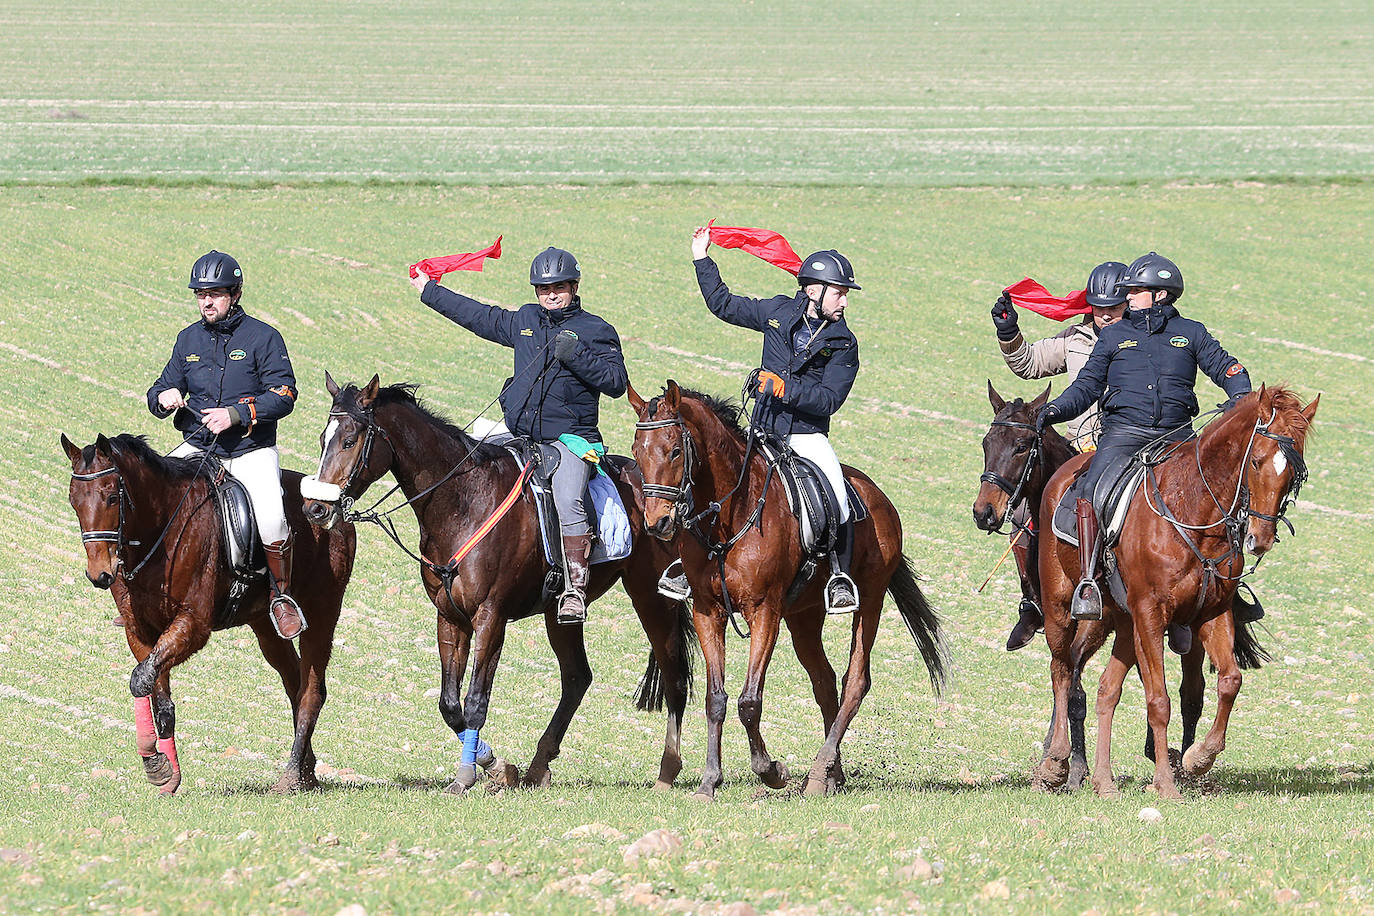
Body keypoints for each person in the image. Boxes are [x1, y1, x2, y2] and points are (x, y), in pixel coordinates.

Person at [1036, 252, 1251, 646]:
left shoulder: (1192, 333)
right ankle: (1088, 582)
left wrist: (1240, 397)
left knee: (1225, 500)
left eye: (1136, 290)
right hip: (1122, 436)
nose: (1128, 295)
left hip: (1178, 438)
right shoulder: (1114, 336)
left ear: (1162, 295)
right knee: (1088, 494)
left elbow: (1228, 369)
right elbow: (1085, 388)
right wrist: (1053, 410)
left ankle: (1226, 591)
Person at [411, 247, 628, 625]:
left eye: (559, 287)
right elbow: (479, 316)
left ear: (574, 286)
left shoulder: (597, 330)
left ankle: (575, 587)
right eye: (544, 289)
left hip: (571, 441)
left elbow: (616, 383)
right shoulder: (526, 320)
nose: (552, 295)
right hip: (520, 436)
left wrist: (577, 356)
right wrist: (429, 291)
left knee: (568, 497)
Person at [688, 225, 862, 613]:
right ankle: (686, 566)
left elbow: (830, 399)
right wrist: (702, 258)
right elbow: (723, 304)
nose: (845, 302)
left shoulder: (844, 343)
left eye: (846, 294)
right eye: (840, 292)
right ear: (813, 290)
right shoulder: (776, 312)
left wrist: (785, 388)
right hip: (761, 430)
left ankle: (839, 577)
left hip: (805, 435)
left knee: (838, 497)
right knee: (703, 476)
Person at [146, 251, 304, 639]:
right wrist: (163, 397)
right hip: (198, 450)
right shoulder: (188, 339)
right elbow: (156, 392)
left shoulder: (263, 336)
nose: (206, 302)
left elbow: (284, 394)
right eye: (200, 295)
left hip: (250, 452)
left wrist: (236, 415)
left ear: (235, 293)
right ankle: (147, 593)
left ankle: (280, 597)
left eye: (214, 294)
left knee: (271, 517)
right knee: (151, 496)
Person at [991, 261, 1128, 650]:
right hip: (1078, 449)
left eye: (1113, 307)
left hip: (1132, 445)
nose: (1104, 314)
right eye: (1098, 306)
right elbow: (1029, 364)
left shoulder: (1144, 339)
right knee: (1022, 509)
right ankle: (1033, 600)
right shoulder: (1077, 338)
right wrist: (1008, 331)